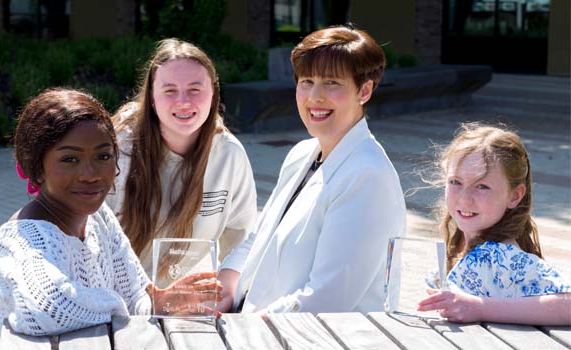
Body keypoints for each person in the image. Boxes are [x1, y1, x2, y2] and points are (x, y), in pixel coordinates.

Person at [0, 88, 221, 349]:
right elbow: (51, 309)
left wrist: (159, 303)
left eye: (103, 156)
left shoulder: (100, 218)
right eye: (70, 159)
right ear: (37, 168)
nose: (90, 174)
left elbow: (135, 296)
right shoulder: (18, 242)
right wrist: (121, 306)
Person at [219, 25, 407, 314]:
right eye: (307, 81)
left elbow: (325, 299)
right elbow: (260, 240)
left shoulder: (368, 176)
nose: (314, 96)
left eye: (332, 83)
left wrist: (244, 328)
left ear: (365, 91)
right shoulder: (302, 153)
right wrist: (223, 288)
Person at [106, 39, 257, 306]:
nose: (184, 101)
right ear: (152, 98)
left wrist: (227, 289)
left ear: (214, 94)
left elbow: (242, 236)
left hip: (188, 306)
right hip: (120, 301)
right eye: (170, 90)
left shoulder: (229, 155)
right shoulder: (120, 150)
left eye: (195, 89)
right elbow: (89, 235)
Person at [417, 123, 571, 325]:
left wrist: (479, 307)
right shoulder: (472, 250)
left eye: (482, 186)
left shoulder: (500, 256)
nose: (465, 198)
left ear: (514, 196)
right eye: (456, 182)